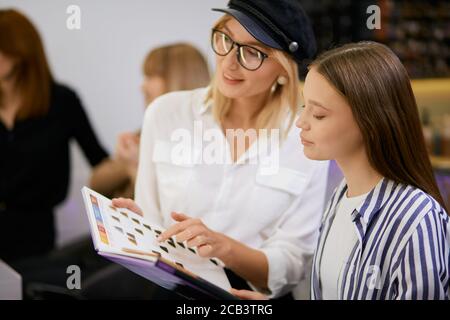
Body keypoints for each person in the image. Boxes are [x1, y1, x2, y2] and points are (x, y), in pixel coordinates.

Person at [112, 0, 329, 299]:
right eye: (225, 39)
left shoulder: (304, 138)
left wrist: (226, 249)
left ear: (284, 70)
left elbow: (293, 263)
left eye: (252, 52)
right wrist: (134, 224)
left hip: (245, 297)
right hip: (171, 289)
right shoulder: (166, 113)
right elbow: (151, 219)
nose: (229, 62)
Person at [232, 41, 450, 300]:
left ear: (369, 121)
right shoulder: (339, 198)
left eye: (319, 115)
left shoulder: (415, 218)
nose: (301, 123)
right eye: (305, 108)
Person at [0, 9, 108, 265]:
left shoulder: (62, 102)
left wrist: (131, 161)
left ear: (20, 52)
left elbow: (100, 161)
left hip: (33, 239)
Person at [89, 43, 210, 199]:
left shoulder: (206, 142)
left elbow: (161, 212)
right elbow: (96, 184)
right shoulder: (147, 131)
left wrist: (136, 166)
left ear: (177, 79)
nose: (142, 86)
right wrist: (127, 164)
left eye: (150, 76)